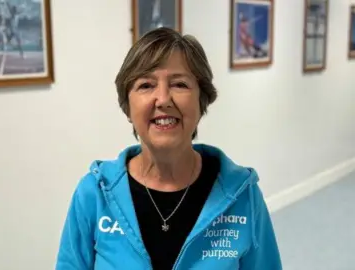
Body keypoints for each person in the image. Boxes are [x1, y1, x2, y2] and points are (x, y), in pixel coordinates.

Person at [55, 27, 282, 270]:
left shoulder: (241, 196)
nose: (163, 99)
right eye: (146, 85)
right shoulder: (94, 195)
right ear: (128, 106)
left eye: (179, 84)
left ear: (201, 100)